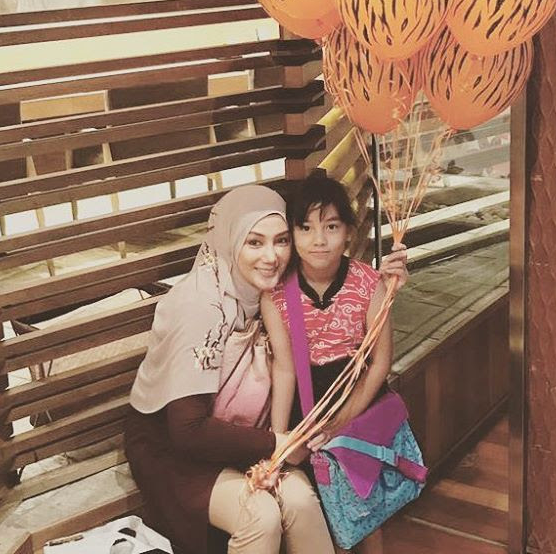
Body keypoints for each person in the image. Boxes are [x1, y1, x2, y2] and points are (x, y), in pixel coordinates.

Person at [125, 184, 408, 554]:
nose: (271, 256)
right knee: (260, 515)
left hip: (243, 435)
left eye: (281, 241)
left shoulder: (263, 294)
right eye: (254, 242)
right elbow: (187, 430)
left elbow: (342, 294)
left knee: (301, 501)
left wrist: (387, 284)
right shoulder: (200, 308)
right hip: (178, 451)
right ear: (229, 241)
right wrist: (279, 444)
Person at [262, 175, 397, 554]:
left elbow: (381, 362)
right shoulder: (276, 293)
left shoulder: (369, 282)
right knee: (322, 507)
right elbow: (285, 368)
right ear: (291, 234)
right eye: (305, 228)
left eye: (331, 227)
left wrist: (343, 421)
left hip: (359, 400)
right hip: (305, 406)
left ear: (349, 232)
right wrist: (279, 440)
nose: (318, 240)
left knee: (366, 507)